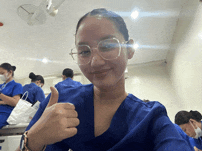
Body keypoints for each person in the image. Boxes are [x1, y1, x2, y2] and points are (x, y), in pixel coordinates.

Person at [18, 8, 193, 151]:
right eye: (85, 51)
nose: (95, 61)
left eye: (108, 45)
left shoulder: (151, 117)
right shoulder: (60, 100)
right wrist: (34, 139)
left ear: (130, 48)